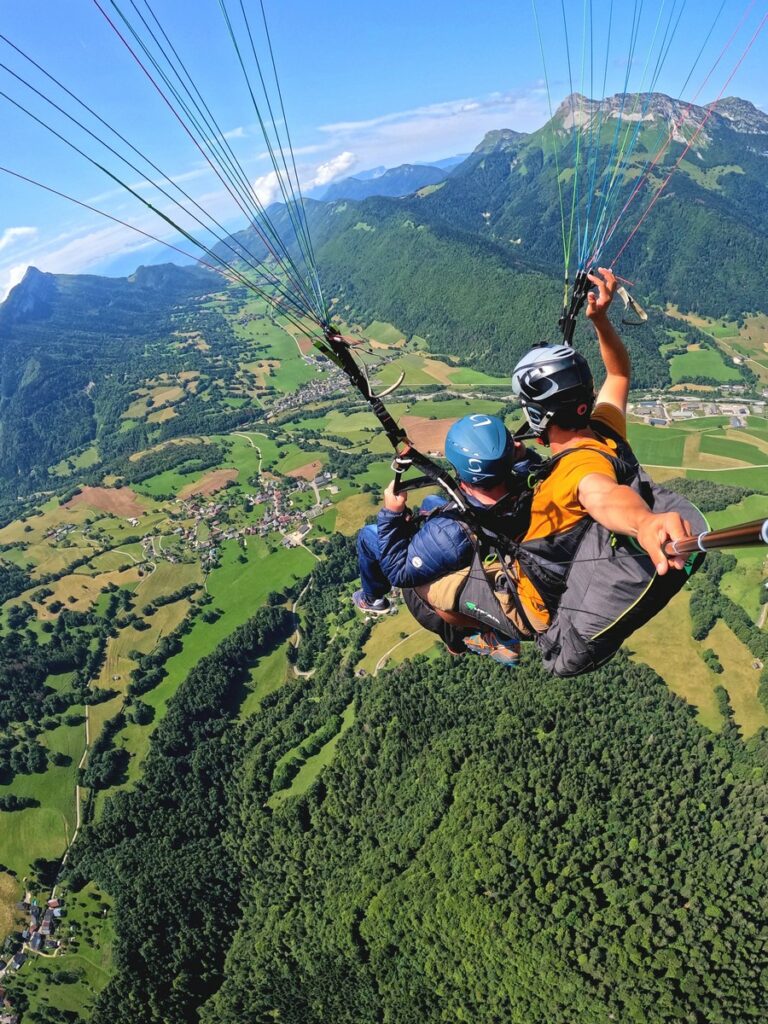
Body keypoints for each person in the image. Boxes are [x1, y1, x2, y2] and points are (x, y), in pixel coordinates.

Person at [362, 267, 699, 674]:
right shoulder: (604, 431)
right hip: (558, 561)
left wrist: (643, 522)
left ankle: (469, 635)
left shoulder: (577, 474)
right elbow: (620, 374)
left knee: (426, 595)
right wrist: (600, 321)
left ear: (539, 415)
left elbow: (602, 495)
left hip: (532, 602)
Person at [353, 413, 540, 667]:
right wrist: (523, 457)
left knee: (368, 536)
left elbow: (399, 572)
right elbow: (531, 467)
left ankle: (373, 598)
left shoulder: (450, 533)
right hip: (500, 541)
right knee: (431, 503)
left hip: (474, 576)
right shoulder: (530, 484)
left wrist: (391, 514)